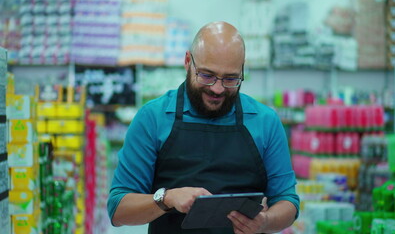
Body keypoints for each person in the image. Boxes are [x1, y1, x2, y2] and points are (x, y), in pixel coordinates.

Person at [107, 21, 299, 234]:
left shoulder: (265, 121)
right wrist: (167, 198)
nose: (217, 89)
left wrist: (266, 221)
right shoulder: (153, 118)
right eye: (207, 75)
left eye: (230, 79)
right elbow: (118, 209)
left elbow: (287, 201)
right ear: (188, 62)